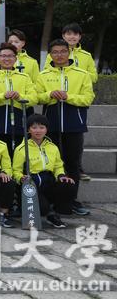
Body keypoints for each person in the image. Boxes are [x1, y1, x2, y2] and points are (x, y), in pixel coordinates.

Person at [35, 39, 94, 216]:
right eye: (55, 52)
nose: (59, 55)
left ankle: (71, 200)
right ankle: (52, 199)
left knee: (72, 163)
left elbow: (88, 98)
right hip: (50, 124)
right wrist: (50, 94)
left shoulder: (82, 74)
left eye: (62, 51)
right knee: (51, 163)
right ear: (50, 55)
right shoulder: (43, 75)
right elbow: (37, 97)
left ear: (69, 52)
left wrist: (69, 97)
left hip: (74, 123)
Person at [12, 114, 77, 228]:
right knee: (42, 208)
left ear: (46, 129)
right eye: (34, 127)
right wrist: (21, 178)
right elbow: (15, 170)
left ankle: (55, 214)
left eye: (42, 127)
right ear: (28, 130)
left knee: (68, 185)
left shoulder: (53, 147)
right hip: (32, 183)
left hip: (48, 181)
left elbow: (58, 166)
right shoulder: (21, 149)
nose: (38, 131)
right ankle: (44, 211)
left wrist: (61, 175)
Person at [0, 43, 37, 157]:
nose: (7, 59)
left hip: (18, 120)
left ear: (15, 58)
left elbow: (34, 99)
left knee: (17, 153)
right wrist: (2, 96)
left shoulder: (24, 77)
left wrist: (20, 97)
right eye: (3, 56)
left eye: (10, 56)